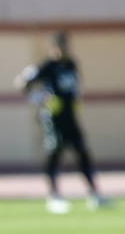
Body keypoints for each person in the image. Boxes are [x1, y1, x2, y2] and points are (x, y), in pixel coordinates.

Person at [16, 31, 109, 214]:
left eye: (65, 46)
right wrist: (41, 98)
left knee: (82, 152)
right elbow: (22, 83)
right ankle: (54, 196)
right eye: (59, 46)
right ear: (53, 48)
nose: (63, 50)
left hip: (70, 117)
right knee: (55, 152)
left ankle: (94, 194)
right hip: (53, 118)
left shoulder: (72, 64)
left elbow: (75, 87)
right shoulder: (47, 66)